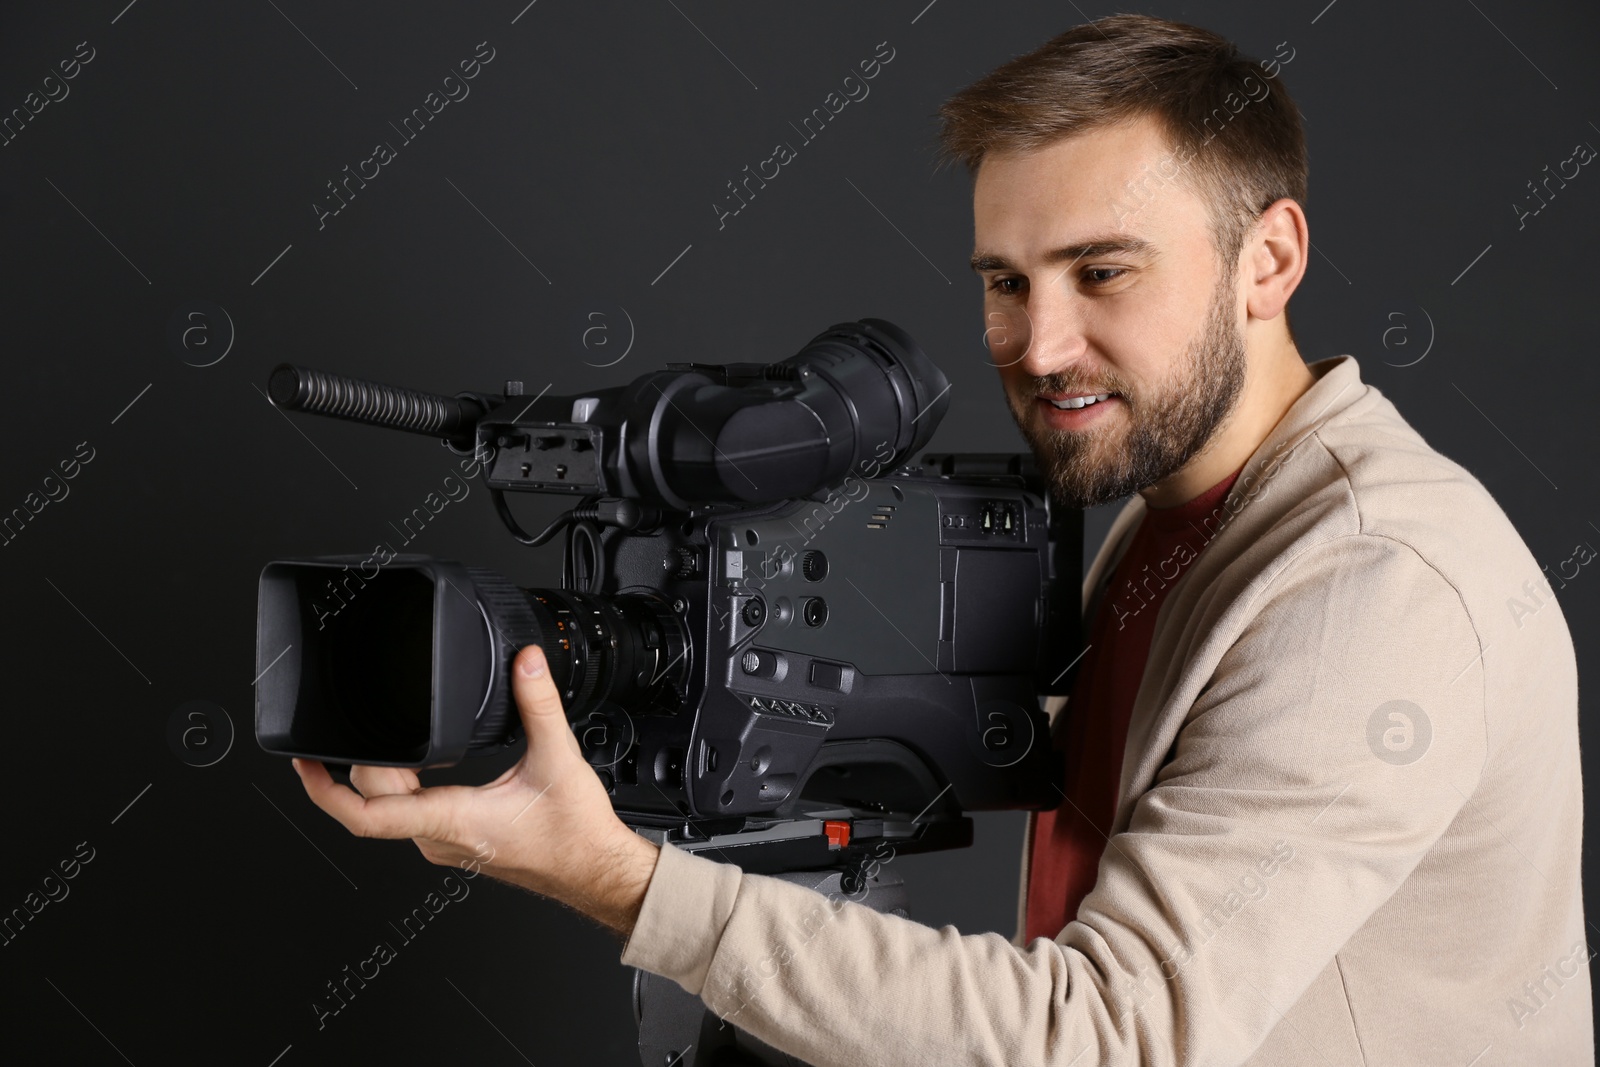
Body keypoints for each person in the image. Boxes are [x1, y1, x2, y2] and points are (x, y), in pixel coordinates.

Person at [291, 14, 1591, 1065]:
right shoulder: (1169, 518)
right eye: (1005, 282)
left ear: (1269, 260)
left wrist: (631, 887)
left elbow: (1113, 1034)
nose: (1038, 345)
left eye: (1104, 272)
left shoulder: (1373, 583)